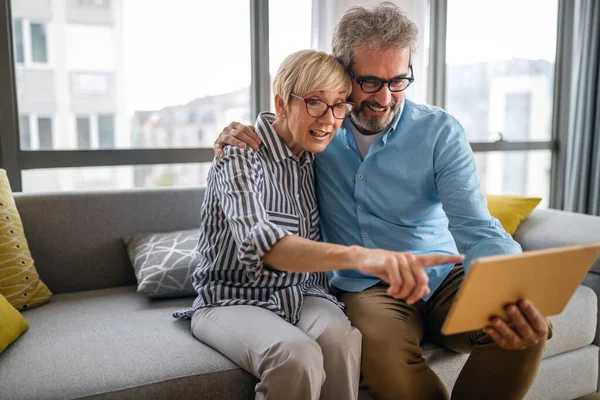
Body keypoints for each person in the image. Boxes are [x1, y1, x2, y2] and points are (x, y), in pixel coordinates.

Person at [213, 3, 552, 400]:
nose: (386, 98)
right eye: (370, 82)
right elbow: (281, 129)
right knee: (381, 352)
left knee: (527, 327)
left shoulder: (439, 132)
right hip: (368, 287)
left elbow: (476, 227)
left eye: (398, 81)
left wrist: (508, 284)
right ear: (343, 73)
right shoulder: (320, 131)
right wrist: (234, 135)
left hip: (443, 276)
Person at [175, 49, 463, 400]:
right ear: (281, 105)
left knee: (343, 340)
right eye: (315, 102)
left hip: (303, 294)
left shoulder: (318, 157)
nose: (329, 119)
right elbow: (263, 244)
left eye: (339, 105)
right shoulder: (239, 155)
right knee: (297, 355)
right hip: (231, 300)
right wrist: (363, 257)